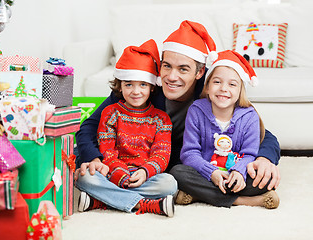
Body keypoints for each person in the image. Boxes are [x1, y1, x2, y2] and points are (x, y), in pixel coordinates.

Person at [75, 20, 280, 205]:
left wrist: (264, 159)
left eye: (183, 69)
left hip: (173, 168)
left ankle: (203, 194)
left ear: (200, 73)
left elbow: (260, 132)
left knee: (259, 178)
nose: (172, 77)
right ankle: (144, 202)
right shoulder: (140, 86)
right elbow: (89, 127)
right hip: (139, 164)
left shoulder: (214, 88)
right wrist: (94, 158)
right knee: (85, 171)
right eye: (167, 66)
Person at [75, 39, 177, 217]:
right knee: (84, 176)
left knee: (169, 184)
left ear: (152, 87)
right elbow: (106, 149)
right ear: (120, 86)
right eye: (129, 84)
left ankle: (100, 201)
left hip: (144, 175)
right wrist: (118, 173)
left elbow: (161, 153)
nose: (136, 91)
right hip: (113, 171)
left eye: (143, 84)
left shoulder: (161, 119)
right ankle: (143, 204)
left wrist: (145, 172)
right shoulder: (111, 113)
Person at [176, 50, 279, 208]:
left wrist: (239, 171)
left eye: (232, 84)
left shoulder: (249, 116)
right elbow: (189, 153)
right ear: (208, 86)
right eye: (217, 82)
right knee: (178, 173)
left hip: (235, 174)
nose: (224, 88)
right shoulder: (196, 110)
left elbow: (250, 153)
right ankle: (241, 200)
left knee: (266, 180)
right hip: (206, 173)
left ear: (240, 91)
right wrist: (212, 172)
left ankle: (200, 195)